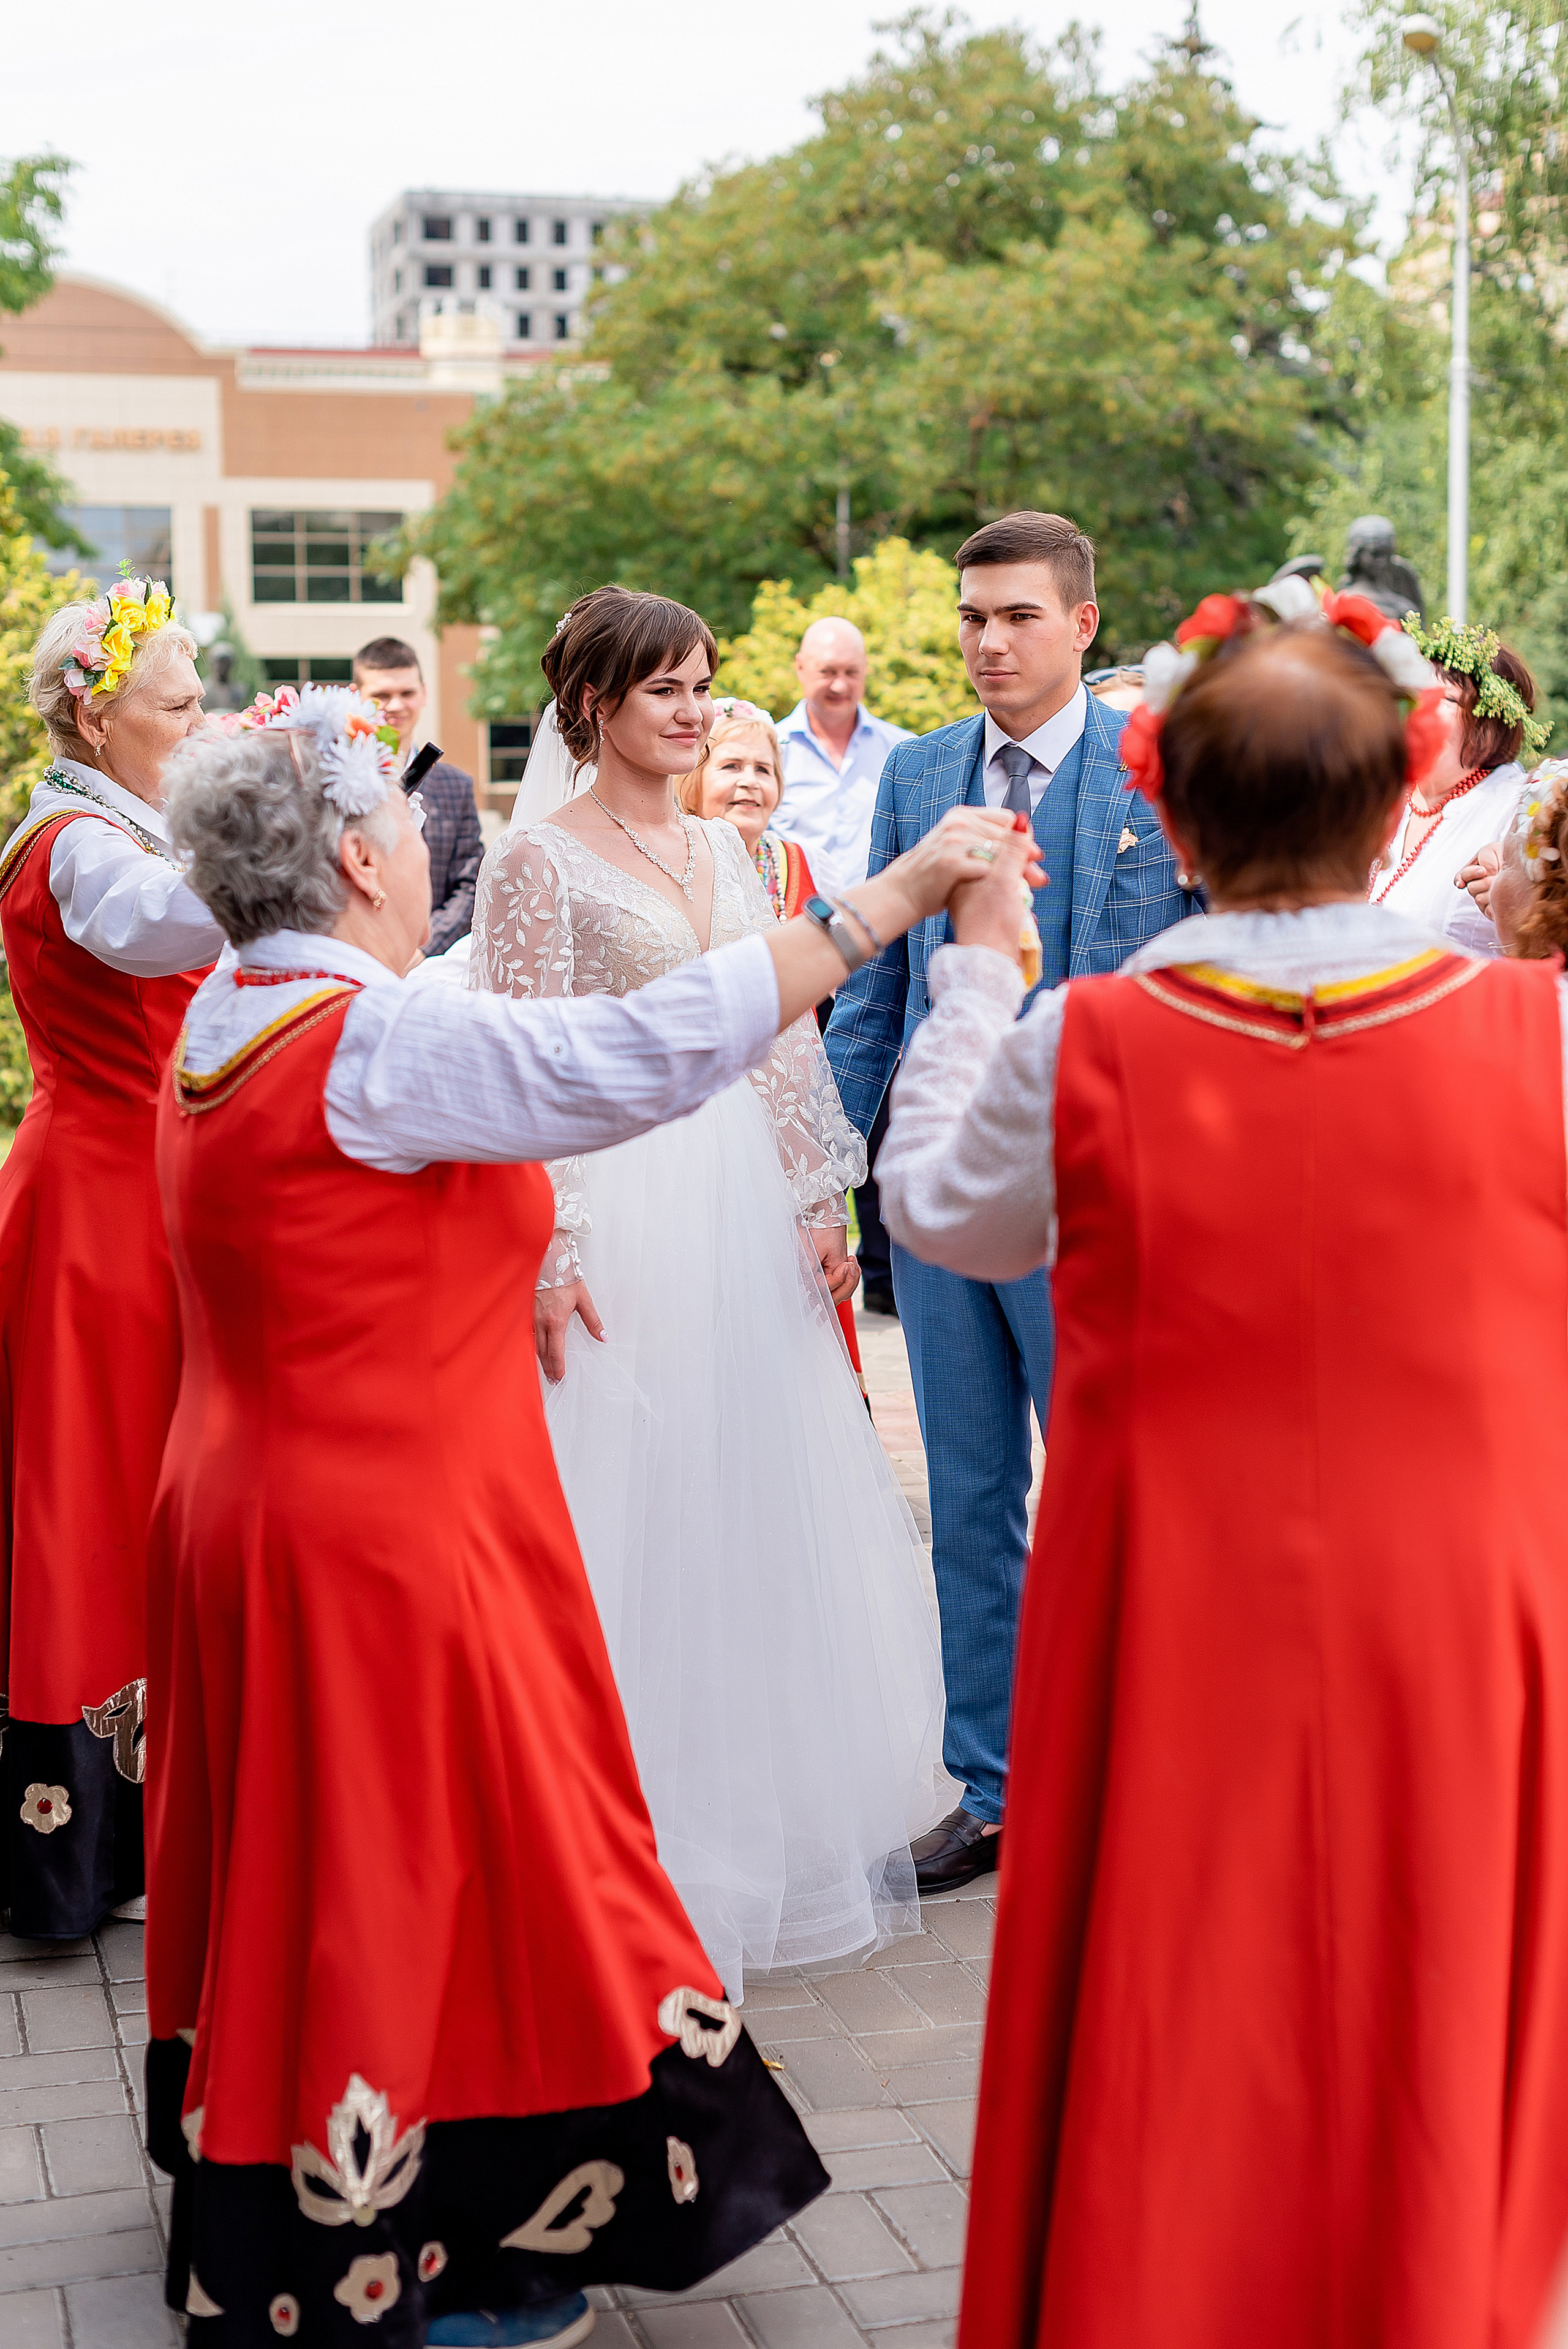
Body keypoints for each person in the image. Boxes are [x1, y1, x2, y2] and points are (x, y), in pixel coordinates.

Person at [145, 680, 1030, 2345]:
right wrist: (893, 905)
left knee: (345, 1857)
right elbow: (635, 1055)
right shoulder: (375, 1043)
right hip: (382, 1528)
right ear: (354, 853)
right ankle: (415, 2240)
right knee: (410, 1867)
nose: (426, 844)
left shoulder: (228, 1004)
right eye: (407, 822)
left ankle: (327, 2184)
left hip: (258, 1499)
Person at [877, 591, 1568, 2349]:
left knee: (1177, 1984)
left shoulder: (1087, 1041)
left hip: (1176, 1614)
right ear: (1405, 792)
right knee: (1430, 1981)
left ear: (1166, 814)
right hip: (1453, 1616)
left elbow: (943, 1207)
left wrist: (977, 964)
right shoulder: (1532, 1039)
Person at [471, 586, 954, 1999]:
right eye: (662, 690)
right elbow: (520, 1064)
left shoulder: (720, 842)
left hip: (737, 1201)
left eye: (699, 686)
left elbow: (775, 1031)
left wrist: (817, 1199)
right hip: (613, 1209)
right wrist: (548, 1242)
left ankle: (736, 1828)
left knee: (741, 1500)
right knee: (624, 1508)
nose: (691, 712)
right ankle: (610, 1843)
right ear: (594, 702)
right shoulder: (536, 865)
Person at [825, 509, 1189, 1894]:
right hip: (932, 1193)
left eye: (1017, 616)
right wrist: (833, 1179)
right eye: (973, 616)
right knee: (967, 1494)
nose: (987, 641)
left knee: (1108, 1498)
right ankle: (991, 1787)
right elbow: (872, 990)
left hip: (1097, 1201)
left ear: (1081, 625)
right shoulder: (917, 773)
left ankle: (1137, 1775)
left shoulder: (1150, 773)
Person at [0, 578, 223, 1940]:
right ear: (99, 712)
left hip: (153, 1199)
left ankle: (152, 1823)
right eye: (180, 707)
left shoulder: (128, 824)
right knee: (85, 1506)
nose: (198, 729)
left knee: (157, 1498)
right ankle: (62, 1854)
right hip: (95, 1211)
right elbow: (160, 930)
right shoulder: (76, 842)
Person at [679, 697, 868, 1393]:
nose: (749, 781)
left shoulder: (800, 866)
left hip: (788, 1117)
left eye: (764, 768)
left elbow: (850, 973)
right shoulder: (671, 862)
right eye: (730, 765)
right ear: (694, 777)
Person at [773, 619, 911, 1315]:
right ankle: (803, 1253)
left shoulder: (900, 752)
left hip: (878, 962)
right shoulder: (767, 747)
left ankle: (884, 1280)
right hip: (791, 960)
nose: (837, 684)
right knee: (803, 1110)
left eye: (849, 672)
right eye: (825, 670)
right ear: (801, 669)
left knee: (881, 1114)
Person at [1370, 618, 1545, 932]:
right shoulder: (1381, 791)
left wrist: (1518, 902)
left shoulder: (1520, 806)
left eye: (1447, 699)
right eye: (1416, 690)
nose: (1419, 706)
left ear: (1490, 729)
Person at [353, 634, 483, 954]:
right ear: (357, 696)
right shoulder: (336, 778)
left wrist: (423, 950)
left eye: (407, 693)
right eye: (381, 695)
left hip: (429, 963)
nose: (396, 705)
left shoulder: (457, 786)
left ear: (424, 694)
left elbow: (470, 884)